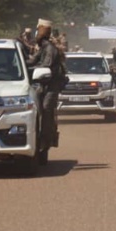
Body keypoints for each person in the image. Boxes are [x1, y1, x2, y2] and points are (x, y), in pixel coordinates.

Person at [28, 18, 68, 165]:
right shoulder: (43, 48)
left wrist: (32, 69)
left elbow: (46, 66)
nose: (35, 34)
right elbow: (32, 61)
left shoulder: (50, 48)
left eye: (37, 31)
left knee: (45, 110)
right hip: (41, 85)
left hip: (51, 86)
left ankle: (45, 140)